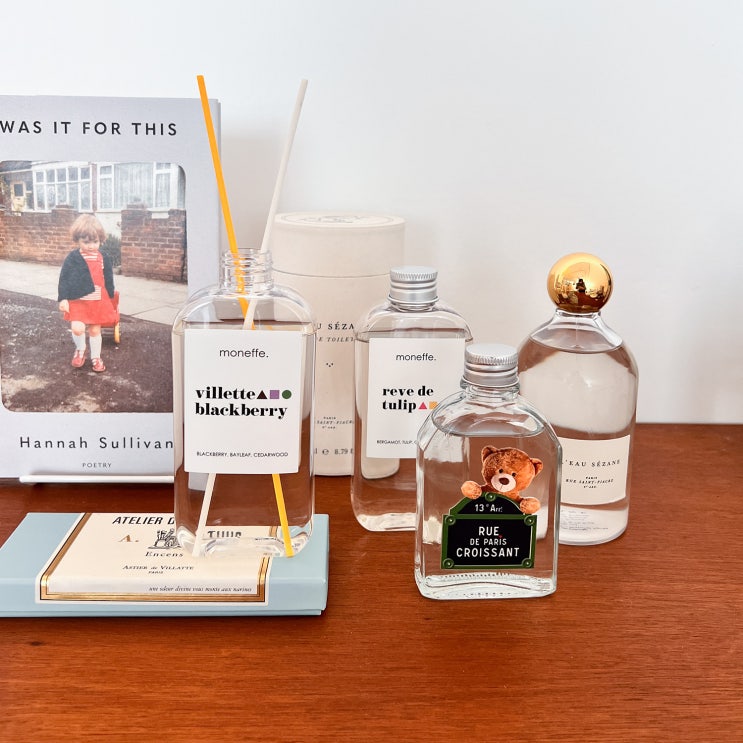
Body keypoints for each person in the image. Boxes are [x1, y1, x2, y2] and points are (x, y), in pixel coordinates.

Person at [57, 214, 117, 373]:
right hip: (77, 300)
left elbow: (108, 279)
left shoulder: (103, 258)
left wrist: (111, 299)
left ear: (101, 240)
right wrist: (63, 298)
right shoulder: (73, 258)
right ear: (77, 240)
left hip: (97, 301)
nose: (91, 246)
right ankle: (80, 349)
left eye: (95, 242)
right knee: (77, 328)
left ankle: (96, 357)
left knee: (95, 331)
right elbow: (64, 278)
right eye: (86, 242)